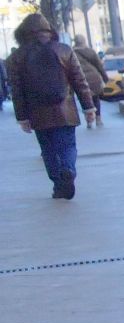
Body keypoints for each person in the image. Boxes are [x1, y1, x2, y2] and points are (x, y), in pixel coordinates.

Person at [9, 14, 98, 199]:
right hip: (65, 110)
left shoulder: (17, 57)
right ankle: (68, 169)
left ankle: (58, 185)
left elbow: (16, 90)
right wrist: (88, 108)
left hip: (37, 113)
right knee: (67, 146)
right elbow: (79, 81)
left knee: (48, 149)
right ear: (49, 30)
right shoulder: (64, 50)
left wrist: (22, 117)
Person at [72, 40, 108, 123]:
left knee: (84, 98)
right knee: (96, 98)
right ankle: (98, 118)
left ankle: (89, 120)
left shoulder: (72, 52)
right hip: (94, 77)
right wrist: (105, 78)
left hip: (80, 78)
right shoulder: (90, 51)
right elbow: (99, 65)